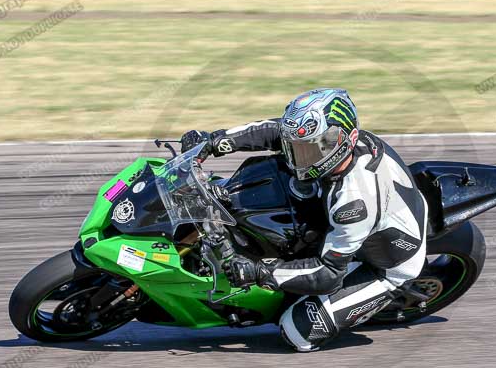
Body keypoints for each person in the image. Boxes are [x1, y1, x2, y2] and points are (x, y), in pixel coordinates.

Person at [180, 88, 428, 352]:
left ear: (343, 141)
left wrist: (260, 271)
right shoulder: (337, 144)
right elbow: (276, 131)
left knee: (296, 333)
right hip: (360, 222)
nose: (296, 157)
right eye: (295, 148)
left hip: (382, 265)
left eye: (307, 150)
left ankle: (362, 301)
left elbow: (328, 274)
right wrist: (213, 141)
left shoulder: (353, 203)